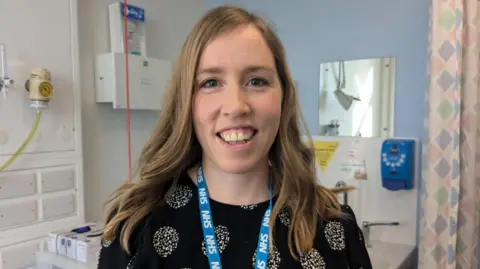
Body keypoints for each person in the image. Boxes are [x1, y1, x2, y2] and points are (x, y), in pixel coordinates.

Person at [98, 5, 372, 269]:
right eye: (210, 83)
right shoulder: (135, 228)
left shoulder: (333, 225)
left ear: (283, 97)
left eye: (256, 81)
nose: (236, 106)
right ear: (186, 103)